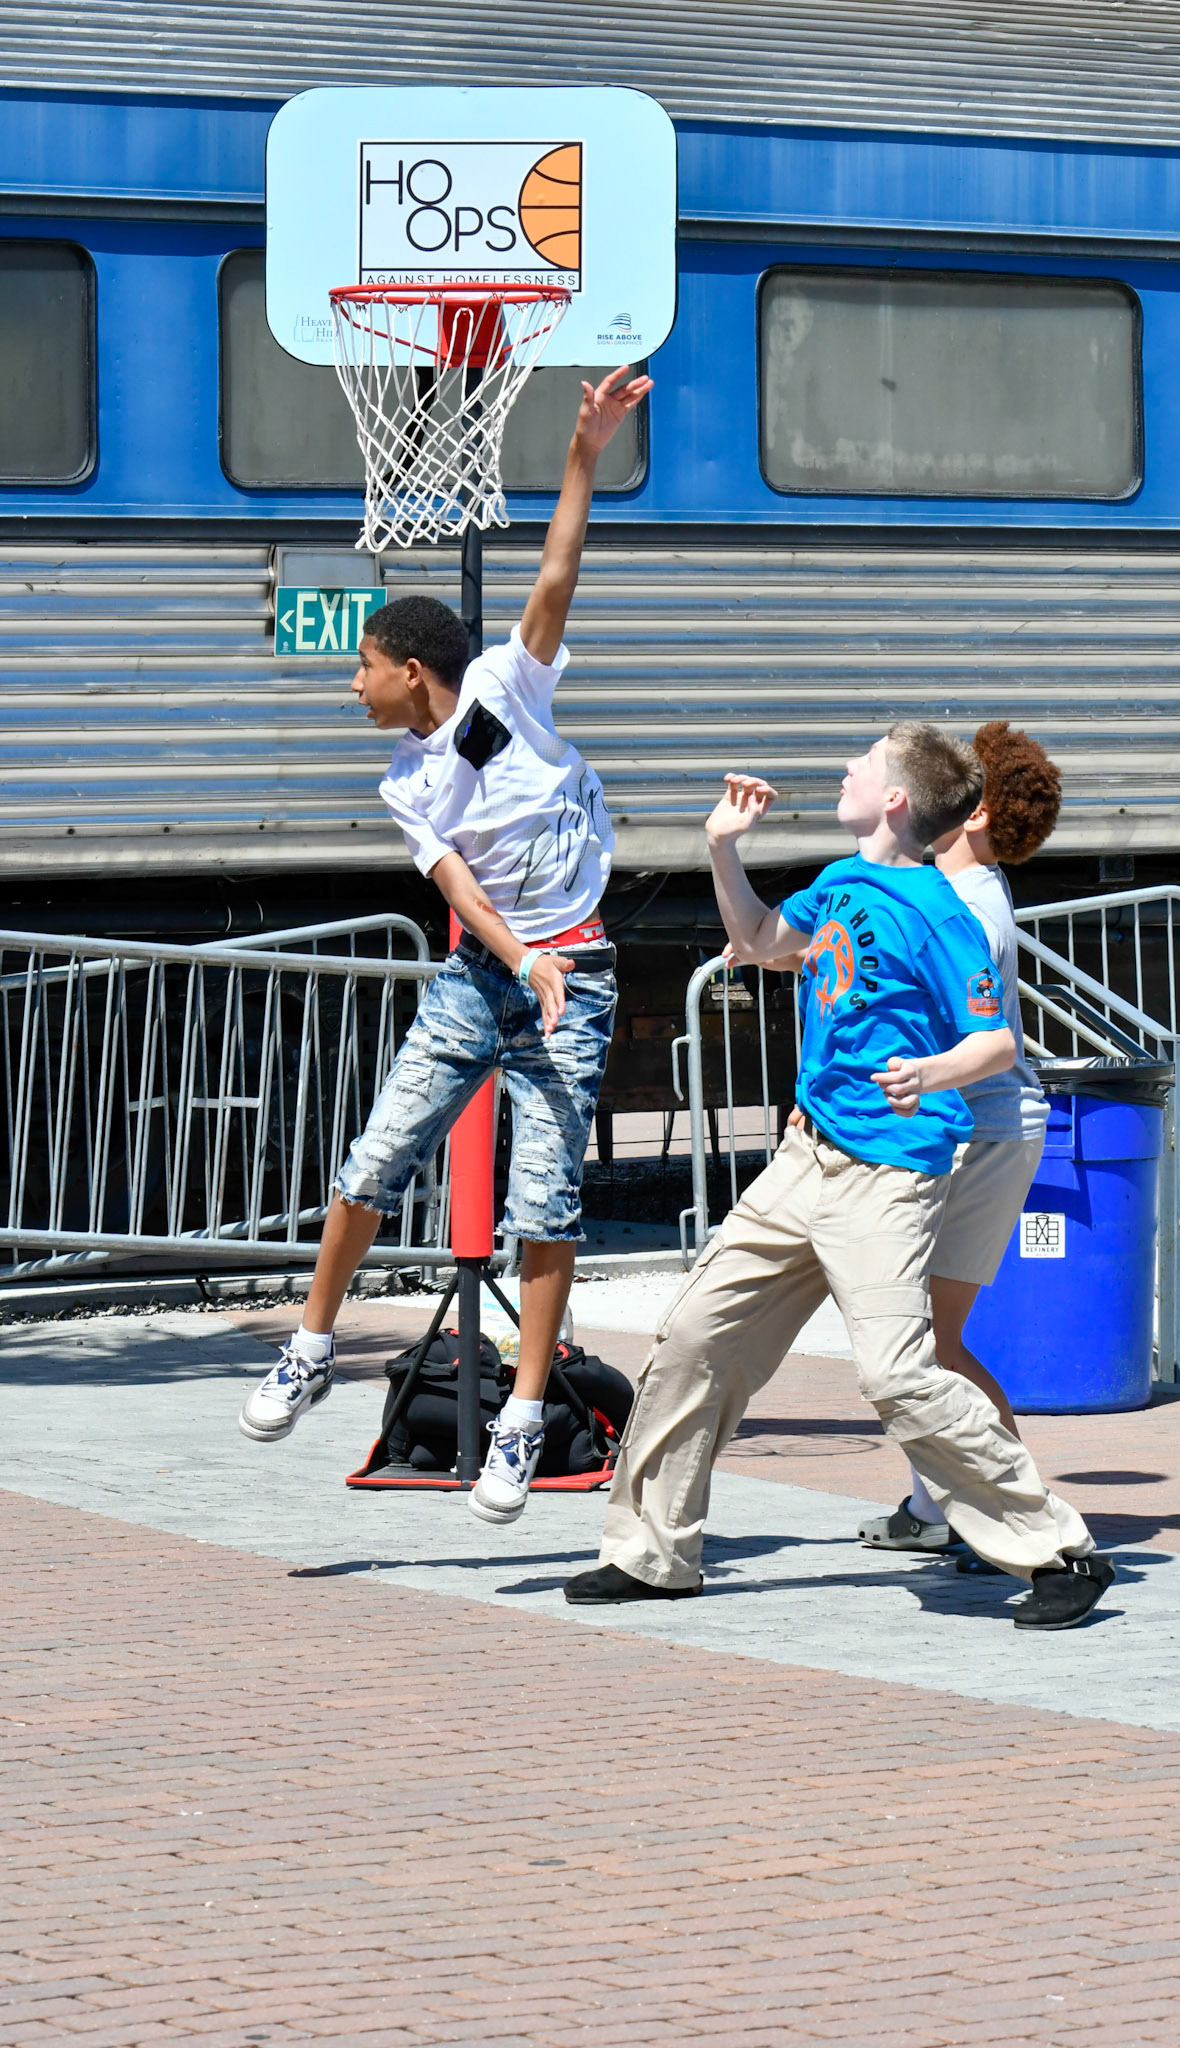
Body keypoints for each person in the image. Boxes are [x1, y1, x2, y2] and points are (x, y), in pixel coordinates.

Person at [563, 726, 1114, 1632]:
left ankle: (1056, 1550)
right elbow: (756, 938)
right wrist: (721, 847)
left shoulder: (943, 912)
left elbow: (994, 1041)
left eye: (864, 761)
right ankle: (650, 1556)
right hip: (802, 1160)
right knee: (694, 1337)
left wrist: (931, 1072)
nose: (846, 769)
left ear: (894, 798)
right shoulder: (837, 883)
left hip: (887, 1176)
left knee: (897, 1377)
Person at [238, 366, 652, 1529]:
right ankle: (312, 1344)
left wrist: (582, 451)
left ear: (410, 669)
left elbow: (555, 573)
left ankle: (520, 1419)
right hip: (491, 976)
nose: (353, 684)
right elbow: (460, 889)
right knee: (372, 1162)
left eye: (363, 667)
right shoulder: (405, 779)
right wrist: (520, 960)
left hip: (577, 980)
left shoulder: (509, 686)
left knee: (544, 1203)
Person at [857, 721, 1063, 1561]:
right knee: (918, 1339)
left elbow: (958, 1032)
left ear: (974, 814)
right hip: (976, 1128)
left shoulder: (974, 906)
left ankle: (1018, 1508)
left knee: (931, 1343)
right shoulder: (958, 889)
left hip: (988, 1128)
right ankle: (934, 1505)